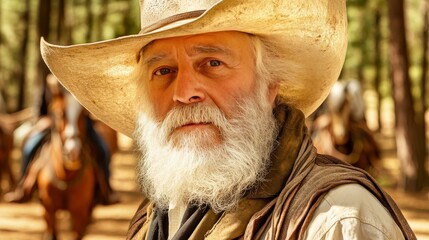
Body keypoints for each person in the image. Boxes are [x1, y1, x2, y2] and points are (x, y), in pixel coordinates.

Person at [40, 0, 416, 239]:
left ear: (269, 85)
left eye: (213, 63)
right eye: (163, 71)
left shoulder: (338, 220)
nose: (185, 91)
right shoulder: (153, 218)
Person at [4, 74, 118, 205]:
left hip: (81, 124)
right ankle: (22, 187)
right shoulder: (50, 81)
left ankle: (107, 189)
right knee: (30, 146)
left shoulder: (82, 82)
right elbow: (40, 107)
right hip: (52, 124)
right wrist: (43, 118)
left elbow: (93, 106)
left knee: (102, 148)